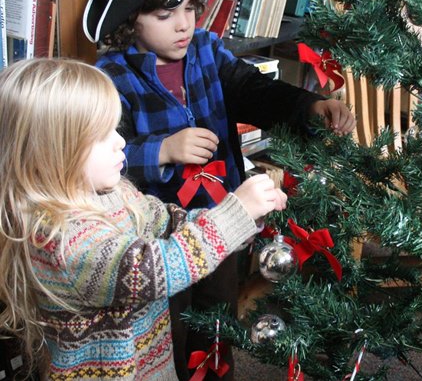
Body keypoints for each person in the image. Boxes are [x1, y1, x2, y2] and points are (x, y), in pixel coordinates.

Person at [82, 0, 356, 380]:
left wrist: (308, 106)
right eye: (164, 14)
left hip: (222, 219)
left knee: (217, 317)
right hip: (160, 238)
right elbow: (99, 162)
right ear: (132, 19)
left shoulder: (208, 51)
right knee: (166, 324)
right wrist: (163, 150)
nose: (182, 25)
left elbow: (254, 90)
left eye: (189, 9)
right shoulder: (111, 77)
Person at [0, 58, 287, 380]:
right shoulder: (60, 239)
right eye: (100, 135)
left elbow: (167, 221)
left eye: (115, 128)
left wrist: (244, 221)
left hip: (151, 365)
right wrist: (234, 215)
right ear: (52, 154)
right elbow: (157, 268)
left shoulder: (113, 194)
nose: (120, 141)